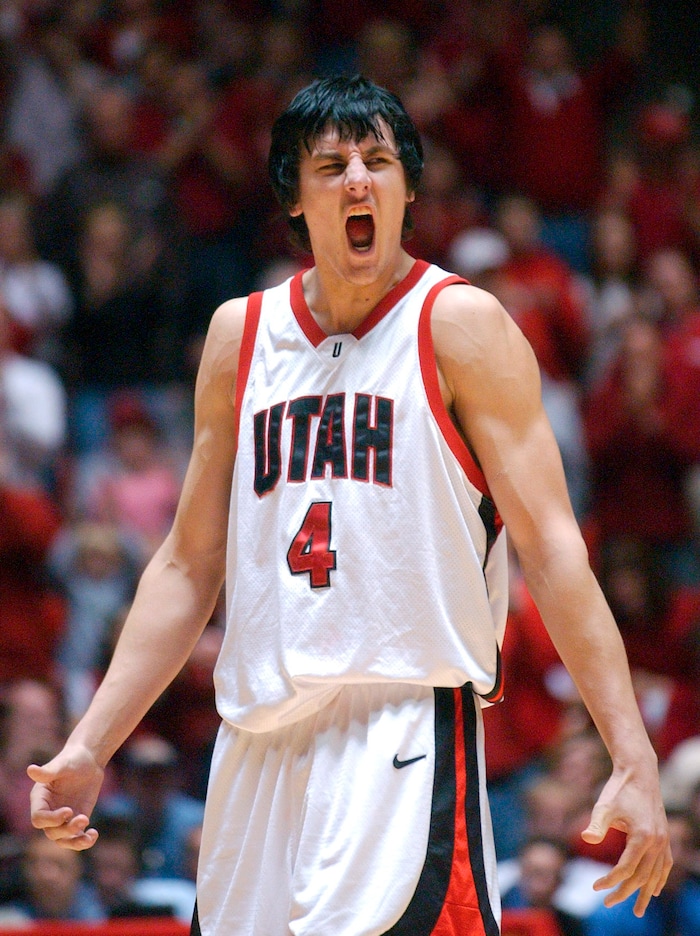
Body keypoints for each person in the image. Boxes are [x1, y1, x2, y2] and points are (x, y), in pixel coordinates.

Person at [28, 74, 671, 936]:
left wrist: (630, 752)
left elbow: (553, 551)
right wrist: (91, 742)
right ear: (294, 198)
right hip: (255, 742)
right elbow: (186, 563)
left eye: (378, 161)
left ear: (410, 188)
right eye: (331, 167)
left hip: (400, 727)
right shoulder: (240, 335)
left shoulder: (460, 325)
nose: (359, 181)